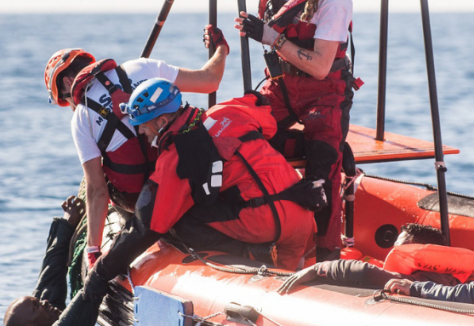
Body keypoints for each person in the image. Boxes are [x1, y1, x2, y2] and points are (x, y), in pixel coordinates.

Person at [81, 79, 317, 303]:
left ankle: (252, 254)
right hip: (303, 219)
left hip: (263, 226)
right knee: (290, 278)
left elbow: (147, 225)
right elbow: (266, 117)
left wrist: (102, 271)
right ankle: (293, 265)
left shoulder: (176, 157)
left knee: (177, 216)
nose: (142, 133)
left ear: (161, 122)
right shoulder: (227, 111)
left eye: (142, 126)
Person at [44, 25, 231, 267]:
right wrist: (221, 49)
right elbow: (210, 81)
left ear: (69, 82)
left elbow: (97, 190)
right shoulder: (142, 67)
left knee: (103, 177)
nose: (70, 105)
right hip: (185, 184)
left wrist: (93, 250)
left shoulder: (81, 117)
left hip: (141, 202)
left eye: (65, 99)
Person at [234, 0, 359, 262]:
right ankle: (242, 231)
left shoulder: (334, 3)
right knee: (240, 133)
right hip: (281, 85)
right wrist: (220, 48)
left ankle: (328, 257)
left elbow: (320, 67)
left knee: (323, 167)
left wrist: (271, 38)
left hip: (325, 90)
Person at [0, 196, 102, 326]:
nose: (44, 302)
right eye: (36, 306)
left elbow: (50, 275)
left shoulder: (42, 317)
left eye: (37, 301)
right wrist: (99, 275)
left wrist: (67, 224)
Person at [277, 224, 461, 294]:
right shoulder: (454, 280)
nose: (393, 252)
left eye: (399, 248)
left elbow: (363, 271)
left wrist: (317, 269)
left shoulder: (414, 281)